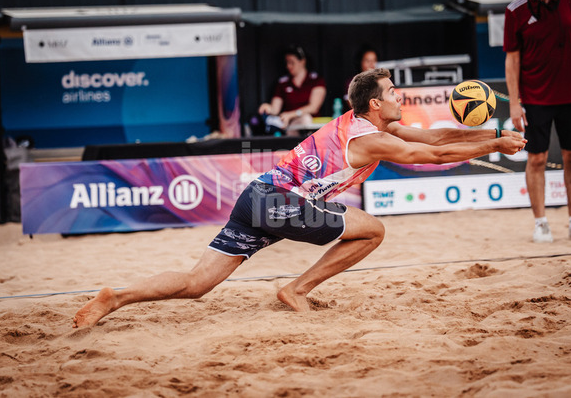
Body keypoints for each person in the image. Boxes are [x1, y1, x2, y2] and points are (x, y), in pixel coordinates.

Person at [73, 68, 526, 328]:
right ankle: (296, 289)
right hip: (279, 203)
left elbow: (436, 137)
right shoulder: (369, 139)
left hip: (258, 197)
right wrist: (493, 146)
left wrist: (493, 135)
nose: (399, 97)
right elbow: (433, 155)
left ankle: (116, 298)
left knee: (197, 284)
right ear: (374, 104)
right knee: (373, 230)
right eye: (392, 93)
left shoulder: (367, 124)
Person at [504, 0, 571, 243]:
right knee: (536, 160)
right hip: (536, 99)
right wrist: (514, 102)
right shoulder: (515, 11)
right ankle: (541, 224)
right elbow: (512, 59)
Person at [258, 45, 327, 136]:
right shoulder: (283, 82)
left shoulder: (316, 80)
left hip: (312, 127)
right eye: (287, 62)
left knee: (305, 119)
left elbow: (313, 107)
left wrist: (291, 114)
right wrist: (268, 108)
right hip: (288, 125)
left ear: (302, 61)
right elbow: (275, 109)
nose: (288, 66)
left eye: (292, 62)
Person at [344, 45, 379, 109]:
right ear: (360, 62)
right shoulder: (352, 83)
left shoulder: (382, 81)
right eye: (367, 61)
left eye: (374, 60)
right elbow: (354, 107)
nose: (371, 64)